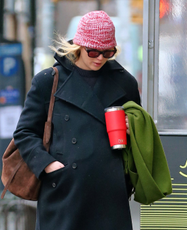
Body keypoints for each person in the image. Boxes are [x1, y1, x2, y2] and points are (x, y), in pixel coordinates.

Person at [14, 10, 141, 230]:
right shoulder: (48, 81)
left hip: (109, 196)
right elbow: (25, 132)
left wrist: (133, 128)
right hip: (64, 192)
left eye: (108, 52)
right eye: (93, 52)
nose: (100, 58)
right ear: (79, 45)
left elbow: (139, 129)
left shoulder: (125, 83)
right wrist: (49, 166)